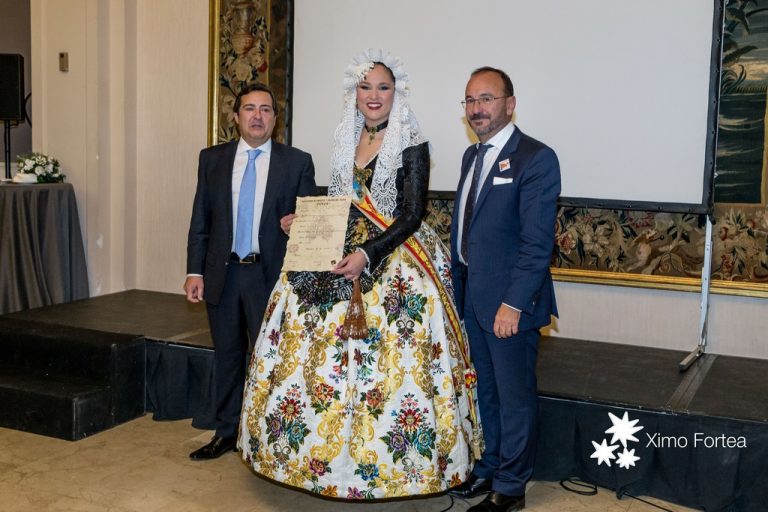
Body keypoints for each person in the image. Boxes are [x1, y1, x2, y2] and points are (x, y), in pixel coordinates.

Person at [238, 49, 481, 499]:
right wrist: (306, 220)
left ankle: (393, 467)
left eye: (383, 87)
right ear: (354, 92)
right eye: (365, 86)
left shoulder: (411, 143)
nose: (374, 95)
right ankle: (315, 459)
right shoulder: (345, 136)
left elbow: (411, 215)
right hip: (344, 244)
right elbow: (342, 201)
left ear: (396, 93)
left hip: (395, 252)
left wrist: (367, 255)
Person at [449, 67, 561, 512]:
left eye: (486, 99)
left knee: (514, 397)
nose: (477, 109)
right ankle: (491, 466)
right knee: (487, 392)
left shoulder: (536, 158)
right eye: (470, 100)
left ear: (509, 105)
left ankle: (511, 487)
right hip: (473, 299)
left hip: (509, 305)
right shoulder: (471, 156)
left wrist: (513, 304)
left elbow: (536, 245)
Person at [184, 83, 316, 460]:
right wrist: (195, 271)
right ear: (236, 116)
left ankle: (267, 437)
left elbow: (312, 222)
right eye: (249, 109)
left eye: (265, 109)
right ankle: (226, 432)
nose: (257, 116)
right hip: (223, 274)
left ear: (275, 119)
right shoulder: (212, 159)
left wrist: (300, 223)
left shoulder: (297, 162)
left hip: (269, 276)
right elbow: (201, 219)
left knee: (271, 357)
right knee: (227, 356)